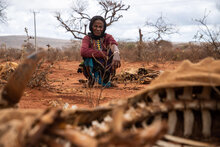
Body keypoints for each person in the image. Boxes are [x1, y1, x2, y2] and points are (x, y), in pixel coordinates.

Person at [79, 15, 121, 87]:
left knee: (113, 54)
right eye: (95, 26)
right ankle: (92, 80)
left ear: (103, 28)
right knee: (87, 58)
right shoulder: (87, 38)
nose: (98, 29)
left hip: (105, 67)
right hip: (92, 67)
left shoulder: (108, 37)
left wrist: (116, 53)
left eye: (100, 27)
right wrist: (104, 54)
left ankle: (107, 80)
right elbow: (83, 51)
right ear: (91, 27)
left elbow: (113, 45)